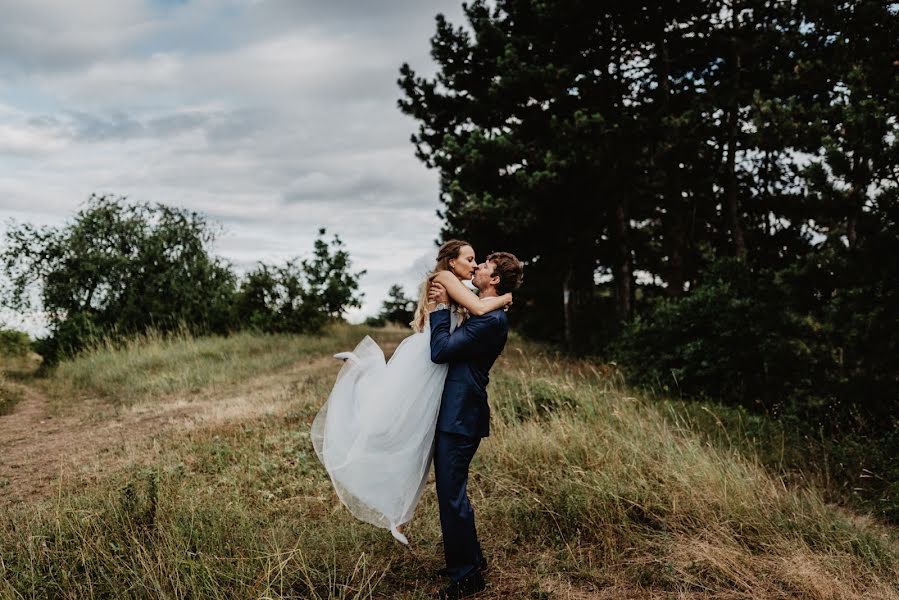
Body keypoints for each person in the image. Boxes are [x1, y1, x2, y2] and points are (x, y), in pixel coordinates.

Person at [310, 240, 513, 547]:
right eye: (471, 260)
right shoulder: (446, 280)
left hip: (448, 386)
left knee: (416, 444)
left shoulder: (463, 293)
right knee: (392, 421)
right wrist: (506, 297)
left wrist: (493, 300)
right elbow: (480, 308)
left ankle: (408, 521)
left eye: (480, 263)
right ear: (451, 261)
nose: (474, 265)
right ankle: (362, 373)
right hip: (429, 359)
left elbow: (478, 311)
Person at [426, 250, 523, 600]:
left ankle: (467, 577)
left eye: (484, 266)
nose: (478, 266)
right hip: (459, 412)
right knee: (453, 493)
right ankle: (471, 560)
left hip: (460, 415)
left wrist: (439, 311)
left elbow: (441, 350)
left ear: (494, 280)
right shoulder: (487, 313)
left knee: (451, 496)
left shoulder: (490, 321)